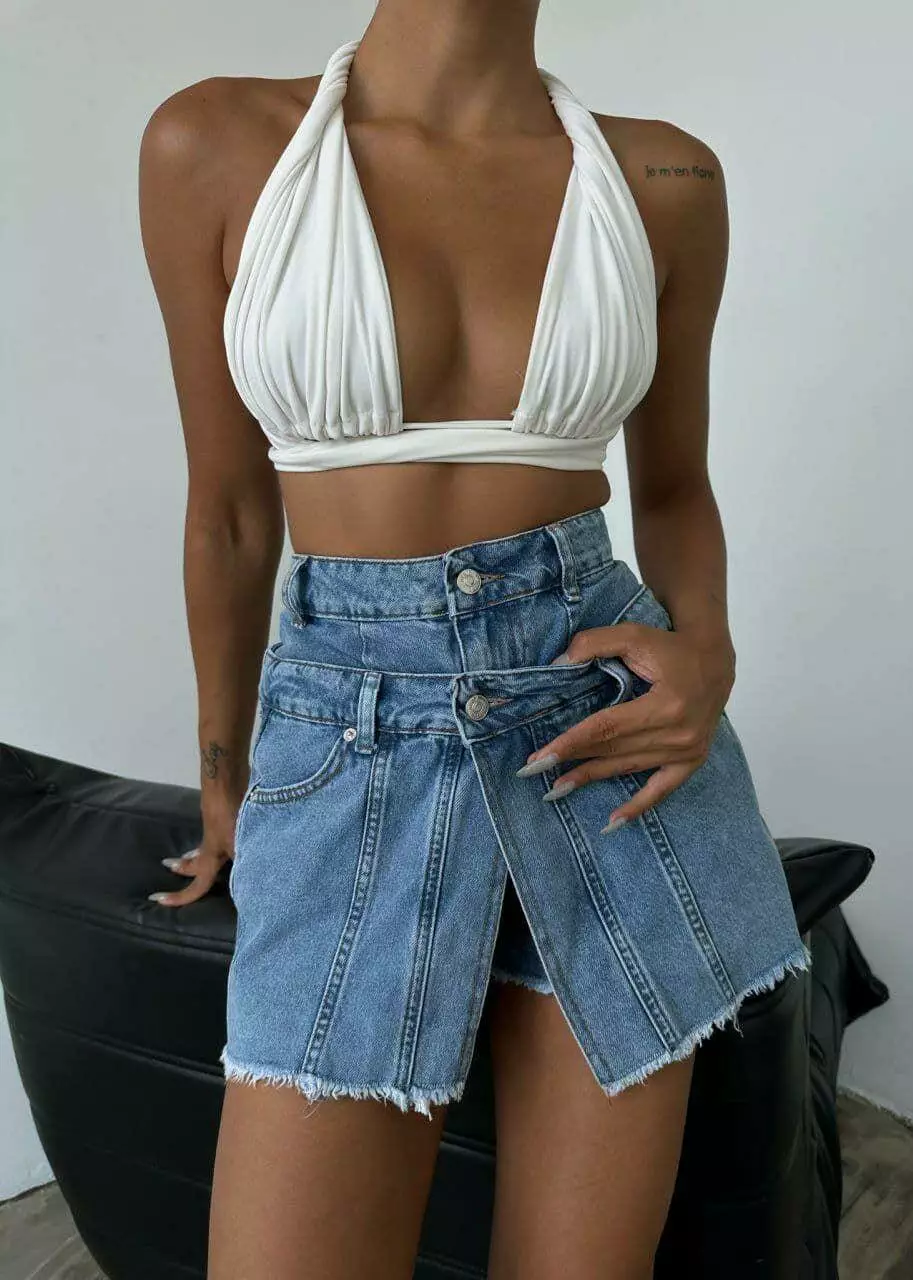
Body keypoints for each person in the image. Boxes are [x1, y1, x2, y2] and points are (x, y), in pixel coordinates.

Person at [138, 2, 811, 1276]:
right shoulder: (214, 140)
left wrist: (709, 654)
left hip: (601, 737)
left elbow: (673, 488)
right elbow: (226, 512)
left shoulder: (662, 176)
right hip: (349, 728)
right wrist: (228, 779)